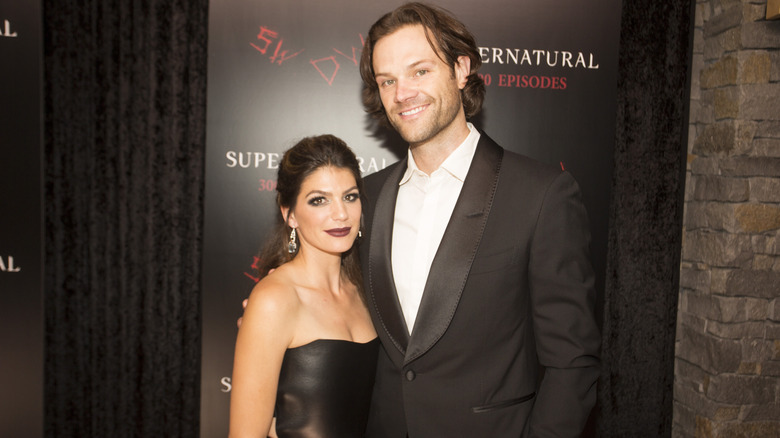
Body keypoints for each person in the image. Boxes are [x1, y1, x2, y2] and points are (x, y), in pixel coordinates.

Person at [356, 3, 601, 437]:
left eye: (420, 71)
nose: (402, 93)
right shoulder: (369, 197)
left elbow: (572, 362)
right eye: (387, 80)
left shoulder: (541, 194)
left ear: (461, 68)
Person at [229, 135, 379, 438]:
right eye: (319, 200)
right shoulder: (275, 298)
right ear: (290, 214)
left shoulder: (369, 290)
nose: (340, 213)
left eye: (350, 196)